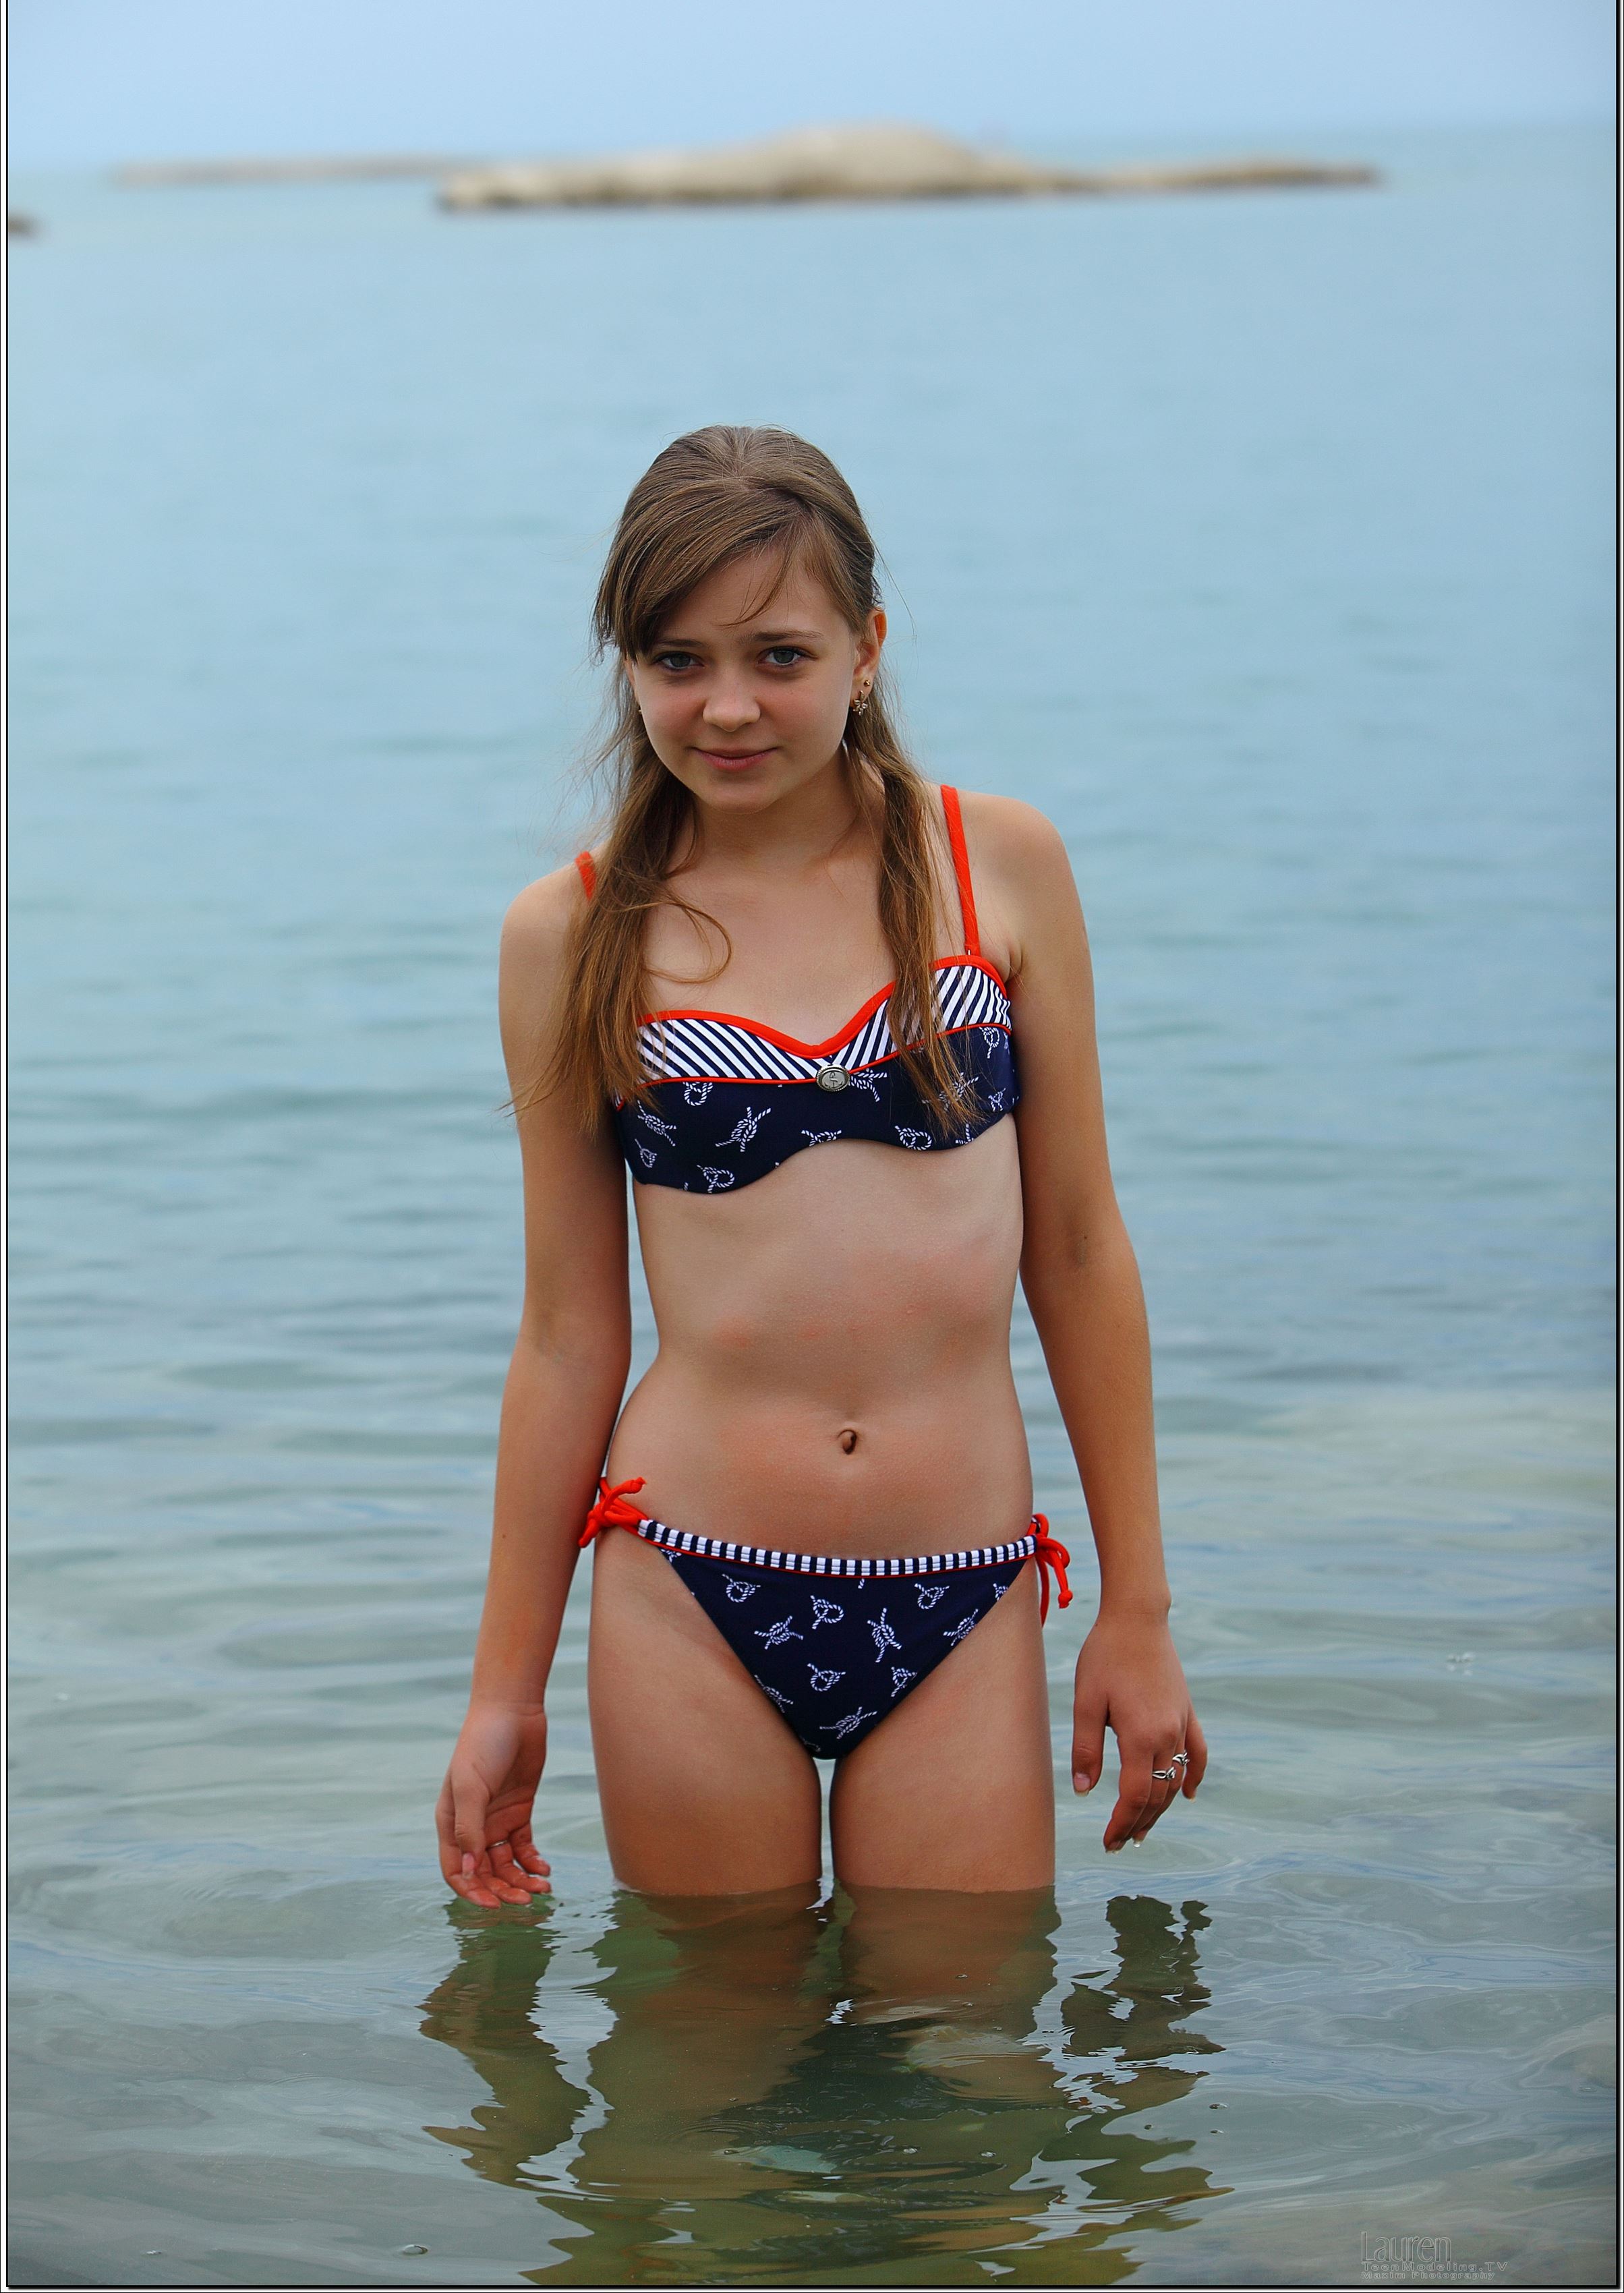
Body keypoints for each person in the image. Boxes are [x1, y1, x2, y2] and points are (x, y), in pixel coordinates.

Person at [435, 425, 1205, 1909]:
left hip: (961, 1585)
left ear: (867, 651)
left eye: (778, 656)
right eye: (676, 659)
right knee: (705, 2038)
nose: (727, 706)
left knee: (968, 2033)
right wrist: (501, 1692)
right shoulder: (571, 935)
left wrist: (1138, 1609)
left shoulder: (997, 865)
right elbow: (568, 1332)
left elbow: (1078, 1251)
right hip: (688, 1582)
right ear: (627, 665)